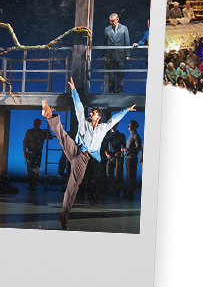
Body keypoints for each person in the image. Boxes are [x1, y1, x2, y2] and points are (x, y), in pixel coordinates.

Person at [41, 78, 135, 229]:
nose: (91, 112)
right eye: (91, 111)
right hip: (75, 149)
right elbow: (79, 108)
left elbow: (113, 119)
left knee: (73, 184)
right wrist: (73, 90)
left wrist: (126, 110)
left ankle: (64, 214)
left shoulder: (103, 127)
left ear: (99, 117)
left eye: (94, 112)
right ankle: (49, 115)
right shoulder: (83, 123)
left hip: (82, 159)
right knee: (63, 136)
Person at [103, 13, 131, 93]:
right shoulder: (107, 29)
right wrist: (104, 54)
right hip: (110, 55)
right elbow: (105, 42)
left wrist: (127, 54)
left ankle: (119, 90)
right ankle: (111, 90)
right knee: (111, 74)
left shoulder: (124, 28)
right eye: (110, 21)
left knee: (120, 74)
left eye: (112, 21)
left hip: (121, 54)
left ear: (117, 20)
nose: (110, 22)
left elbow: (127, 41)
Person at [23, 118, 53, 191]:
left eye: (37, 123)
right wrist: (24, 151)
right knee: (29, 169)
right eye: (35, 122)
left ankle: (34, 184)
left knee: (36, 168)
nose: (35, 124)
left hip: (38, 152)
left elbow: (51, 137)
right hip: (30, 152)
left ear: (40, 124)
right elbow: (25, 142)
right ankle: (31, 184)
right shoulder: (29, 131)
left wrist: (47, 131)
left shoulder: (42, 132)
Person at [104, 123, 126, 193]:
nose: (113, 126)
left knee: (118, 175)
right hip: (110, 158)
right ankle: (110, 190)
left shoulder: (121, 135)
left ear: (117, 125)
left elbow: (124, 146)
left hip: (118, 158)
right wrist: (107, 154)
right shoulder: (107, 135)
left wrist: (119, 152)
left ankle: (117, 191)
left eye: (114, 124)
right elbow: (104, 147)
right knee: (109, 174)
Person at [123, 120, 142, 199]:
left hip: (132, 159)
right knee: (129, 177)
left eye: (129, 125)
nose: (128, 126)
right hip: (128, 159)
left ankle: (131, 195)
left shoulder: (136, 136)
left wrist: (127, 150)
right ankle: (130, 194)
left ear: (133, 126)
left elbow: (138, 148)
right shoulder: (131, 135)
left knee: (131, 177)